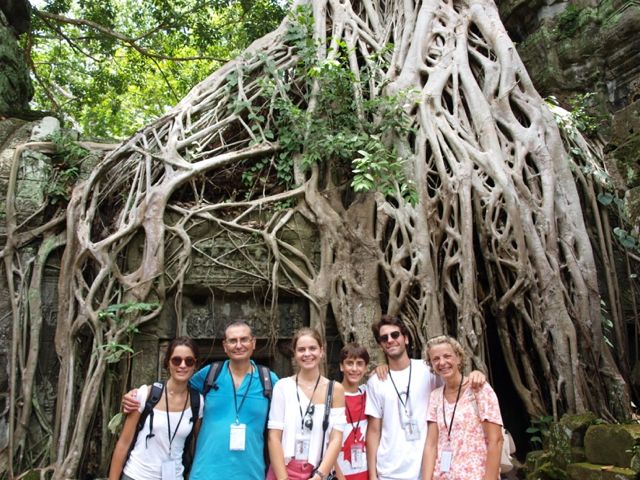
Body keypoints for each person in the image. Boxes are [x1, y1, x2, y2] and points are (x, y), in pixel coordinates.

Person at [122, 321, 278, 479]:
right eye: (232, 340)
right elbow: (177, 384)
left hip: (250, 473)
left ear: (254, 343)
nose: (238, 345)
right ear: (224, 346)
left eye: (244, 339)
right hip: (205, 473)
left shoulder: (268, 380)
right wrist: (138, 394)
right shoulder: (210, 374)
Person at [365, 315, 486, 480]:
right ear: (380, 345)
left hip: (428, 468)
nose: (390, 340)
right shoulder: (376, 382)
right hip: (389, 471)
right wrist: (373, 475)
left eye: (395, 335)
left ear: (405, 339)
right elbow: (373, 430)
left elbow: (455, 382)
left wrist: (476, 374)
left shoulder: (428, 370)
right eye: (384, 338)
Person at [109, 336, 204, 480]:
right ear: (168, 363)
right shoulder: (146, 394)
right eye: (176, 360)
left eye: (189, 361)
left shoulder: (198, 402)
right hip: (137, 475)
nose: (182, 365)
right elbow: (123, 443)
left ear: (195, 365)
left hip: (175, 476)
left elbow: (199, 445)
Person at [267, 327, 346, 480]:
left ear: (321, 351)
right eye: (301, 349)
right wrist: (283, 478)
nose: (307, 354)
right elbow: (274, 437)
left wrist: (319, 475)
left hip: (318, 470)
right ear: (295, 354)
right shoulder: (283, 387)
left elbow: (336, 438)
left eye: (312, 348)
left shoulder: (335, 390)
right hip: (284, 469)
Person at [421, 335, 503, 480]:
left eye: (447, 356)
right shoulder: (435, 397)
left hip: (476, 475)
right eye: (436, 359)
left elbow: (495, 440)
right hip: (443, 476)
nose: (442, 362)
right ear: (431, 364)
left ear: (458, 358)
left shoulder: (479, 389)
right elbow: (431, 444)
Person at [334, 343, 370, 480]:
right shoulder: (332, 396)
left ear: (366, 368)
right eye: (349, 363)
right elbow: (325, 442)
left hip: (365, 472)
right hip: (340, 473)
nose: (354, 369)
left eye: (360, 364)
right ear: (341, 366)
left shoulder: (368, 393)